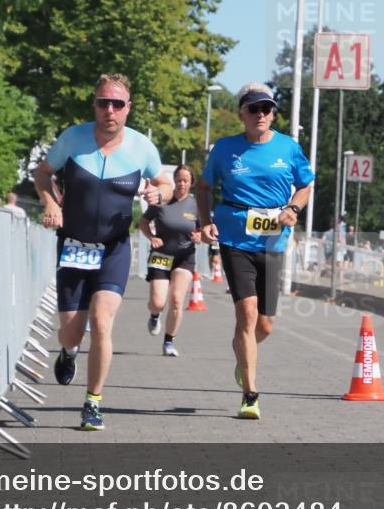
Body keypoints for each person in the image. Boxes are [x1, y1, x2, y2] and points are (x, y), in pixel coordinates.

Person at [34, 73, 172, 431]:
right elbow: (43, 173)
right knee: (71, 333)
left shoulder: (142, 147)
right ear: (94, 104)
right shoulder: (73, 138)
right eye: (103, 103)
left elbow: (166, 183)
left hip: (114, 248)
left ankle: (93, 402)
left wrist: (160, 195)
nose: (109, 110)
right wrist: (51, 202)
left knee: (102, 322)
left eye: (117, 104)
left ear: (128, 108)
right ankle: (68, 353)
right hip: (74, 246)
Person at [197, 81, 314, 420]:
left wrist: (294, 207)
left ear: (273, 114)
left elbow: (306, 184)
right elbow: (205, 187)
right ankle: (250, 395)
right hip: (235, 238)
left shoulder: (289, 148)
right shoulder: (224, 149)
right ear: (242, 113)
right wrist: (205, 223)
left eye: (266, 108)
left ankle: (242, 358)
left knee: (265, 325)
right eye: (254, 108)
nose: (260, 114)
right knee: (246, 315)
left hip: (273, 241)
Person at [140, 164, 201, 357]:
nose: (182, 184)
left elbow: (204, 230)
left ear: (191, 183)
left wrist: (200, 236)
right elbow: (143, 222)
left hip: (184, 256)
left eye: (186, 180)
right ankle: (155, 314)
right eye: (179, 180)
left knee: (176, 300)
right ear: (174, 181)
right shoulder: (163, 199)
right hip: (161, 255)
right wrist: (151, 237)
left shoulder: (196, 205)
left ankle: (169, 341)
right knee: (158, 302)